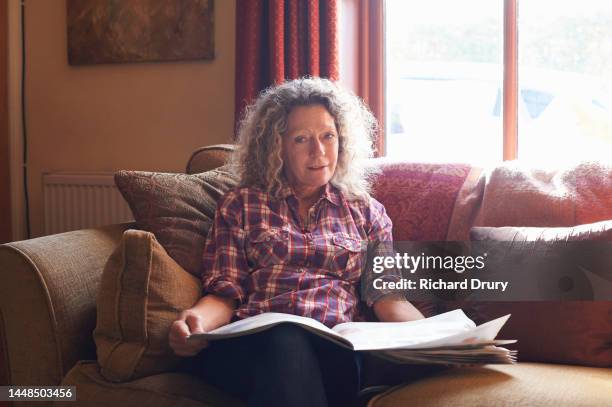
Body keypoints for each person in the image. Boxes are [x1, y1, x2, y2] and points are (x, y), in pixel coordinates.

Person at [169, 77, 426, 406]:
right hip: (253, 348)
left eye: (327, 136)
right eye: (301, 139)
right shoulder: (242, 205)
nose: (318, 151)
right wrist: (194, 323)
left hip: (335, 350)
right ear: (277, 146)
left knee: (314, 357)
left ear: (342, 140)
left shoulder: (367, 213)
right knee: (286, 341)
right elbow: (224, 293)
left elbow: (388, 299)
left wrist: (441, 339)